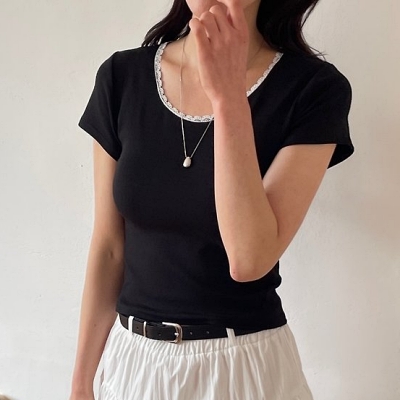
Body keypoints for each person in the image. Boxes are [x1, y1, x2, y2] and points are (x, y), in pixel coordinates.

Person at [69, 0, 355, 399]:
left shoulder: (313, 90)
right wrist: (81, 383)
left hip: (241, 366)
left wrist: (228, 97)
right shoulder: (121, 76)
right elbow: (109, 248)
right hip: (133, 363)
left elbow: (249, 260)